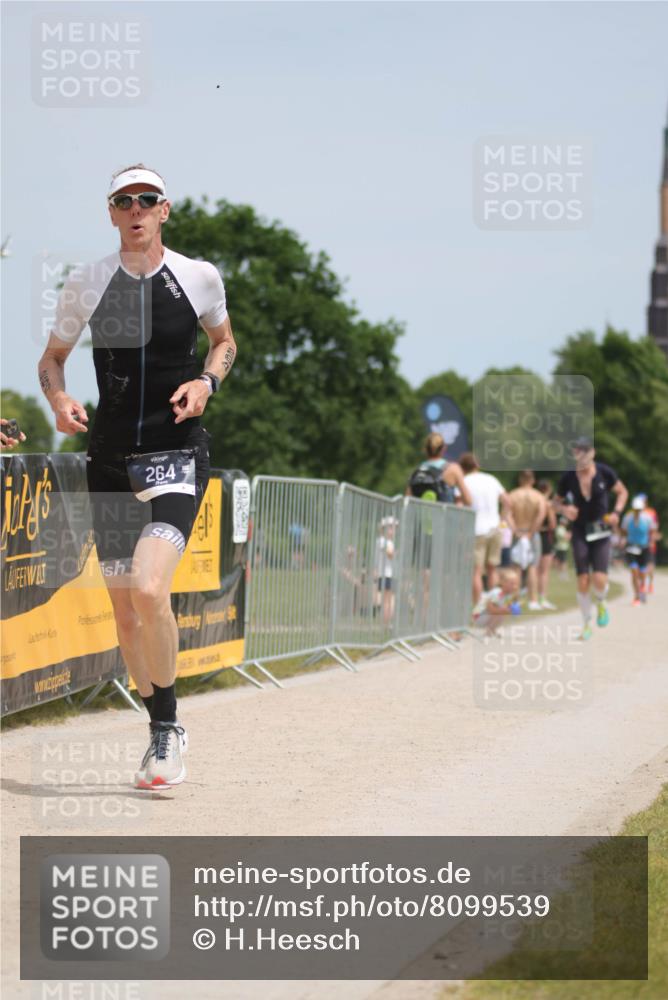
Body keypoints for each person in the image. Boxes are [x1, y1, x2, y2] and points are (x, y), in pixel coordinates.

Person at [37, 164, 236, 788]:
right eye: (124, 201)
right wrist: (58, 399)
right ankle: (157, 728)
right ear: (112, 213)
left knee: (151, 591)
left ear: (164, 210)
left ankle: (170, 727)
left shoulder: (198, 276)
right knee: (125, 614)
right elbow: (53, 359)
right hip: (110, 459)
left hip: (175, 454)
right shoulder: (88, 282)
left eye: (146, 199)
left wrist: (207, 381)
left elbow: (225, 342)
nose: (136, 209)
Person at [554, 438, 628, 641]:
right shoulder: (568, 477)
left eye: (585, 451)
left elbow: (622, 492)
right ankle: (586, 623)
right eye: (578, 451)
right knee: (583, 579)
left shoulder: (605, 473)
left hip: (601, 529)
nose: (582, 455)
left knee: (600, 579)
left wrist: (617, 513)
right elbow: (555, 501)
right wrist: (564, 509)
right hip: (579, 530)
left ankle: (602, 602)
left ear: (592, 453)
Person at [459, 452, 514, 606]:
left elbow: (459, 504)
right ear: (477, 465)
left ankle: (478, 607)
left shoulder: (464, 481)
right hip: (495, 528)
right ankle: (495, 605)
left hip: (476, 529)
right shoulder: (491, 479)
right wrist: (502, 522)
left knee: (476, 571)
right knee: (492, 569)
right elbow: (508, 502)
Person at [507, 470, 547, 611]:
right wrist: (531, 532)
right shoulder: (538, 496)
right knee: (532, 567)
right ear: (532, 480)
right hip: (532, 533)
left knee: (516, 568)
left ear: (520, 479)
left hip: (518, 532)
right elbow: (541, 515)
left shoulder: (513, 495)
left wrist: (516, 531)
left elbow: (507, 514)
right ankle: (533, 600)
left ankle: (515, 601)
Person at [407, 432, 472, 507]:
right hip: (444, 517)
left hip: (421, 517)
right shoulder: (453, 469)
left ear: (425, 449)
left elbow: (407, 501)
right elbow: (468, 500)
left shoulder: (416, 471)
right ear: (444, 448)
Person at [622, 497, 656, 605]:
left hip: (644, 547)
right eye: (635, 509)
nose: (637, 512)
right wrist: (624, 539)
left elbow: (652, 531)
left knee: (642, 572)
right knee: (634, 571)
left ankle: (642, 587)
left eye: (639, 509)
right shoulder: (627, 518)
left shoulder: (647, 518)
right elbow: (623, 531)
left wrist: (651, 541)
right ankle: (636, 596)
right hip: (631, 546)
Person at [472, 568, 522, 636]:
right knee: (501, 612)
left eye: (516, 584)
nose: (514, 587)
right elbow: (490, 608)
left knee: (502, 612)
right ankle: (489, 630)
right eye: (512, 584)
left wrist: (511, 606)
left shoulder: (505, 595)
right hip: (478, 616)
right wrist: (504, 610)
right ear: (503, 583)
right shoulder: (498, 593)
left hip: (484, 616)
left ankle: (492, 629)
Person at [535, 479, 557, 610]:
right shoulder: (548, 504)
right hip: (545, 537)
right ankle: (542, 598)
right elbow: (552, 524)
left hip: (532, 535)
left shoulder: (534, 501)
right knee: (544, 572)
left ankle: (532, 597)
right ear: (548, 490)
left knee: (534, 570)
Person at [636, 493, 661, 594]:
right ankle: (643, 583)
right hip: (638, 543)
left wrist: (652, 539)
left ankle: (650, 583)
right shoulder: (635, 512)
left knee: (650, 565)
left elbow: (655, 526)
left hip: (649, 542)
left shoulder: (651, 512)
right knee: (640, 565)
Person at [374, 516, 397, 625]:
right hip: (385, 574)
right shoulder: (384, 541)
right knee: (388, 600)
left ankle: (386, 622)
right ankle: (386, 623)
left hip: (386, 574)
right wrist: (396, 553)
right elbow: (390, 554)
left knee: (388, 600)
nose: (393, 531)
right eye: (391, 528)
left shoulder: (384, 541)